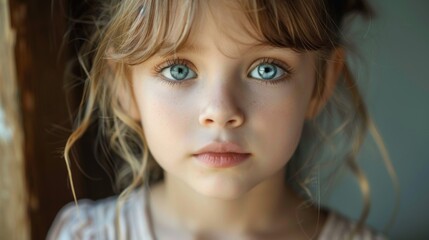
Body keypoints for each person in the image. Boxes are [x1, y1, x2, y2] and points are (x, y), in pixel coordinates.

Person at [48, 0, 390, 239]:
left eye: (266, 69)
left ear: (321, 83)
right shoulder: (85, 236)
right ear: (125, 86)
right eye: (178, 70)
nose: (221, 111)